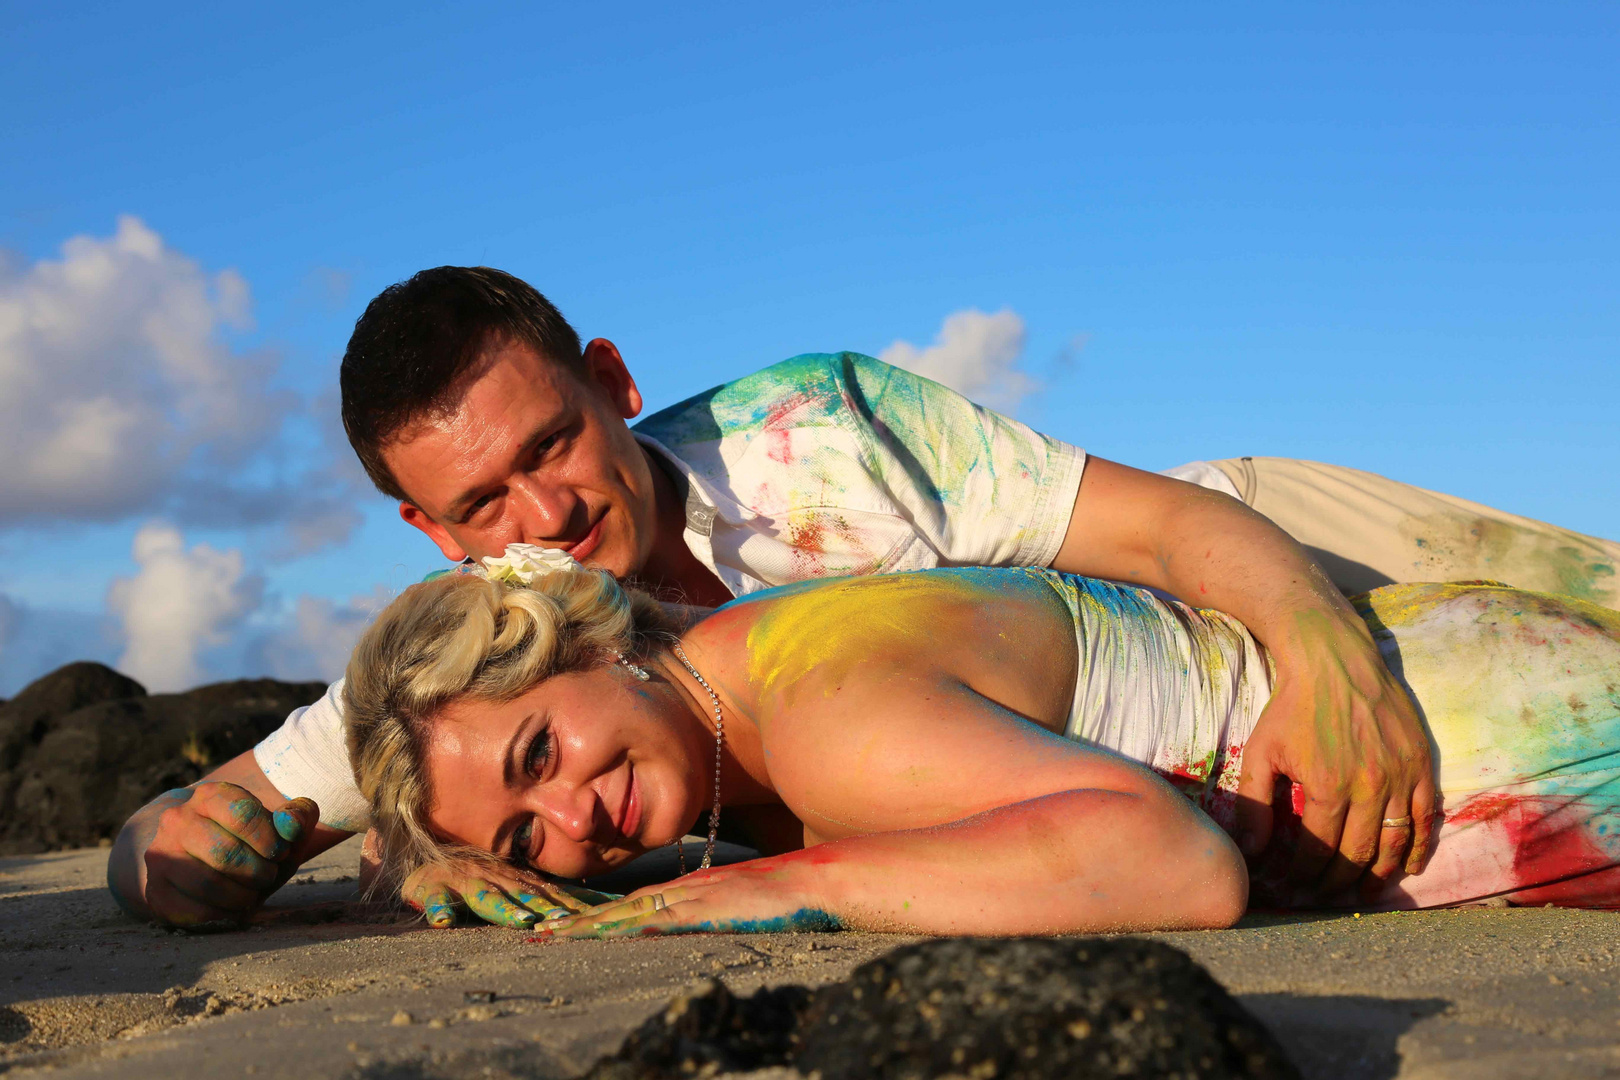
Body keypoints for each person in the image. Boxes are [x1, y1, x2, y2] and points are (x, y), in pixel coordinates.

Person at [107, 266, 1620, 928]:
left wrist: (1320, 650)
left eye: (554, 444)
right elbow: (193, 827)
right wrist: (157, 868)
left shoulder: (811, 441)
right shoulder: (484, 672)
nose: (545, 515)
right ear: (435, 538)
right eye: (480, 507)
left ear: (614, 388)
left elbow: (1159, 526)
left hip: (1248, 556)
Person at [342, 550, 1620, 937]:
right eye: (524, 834)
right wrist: (441, 863)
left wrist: (791, 883)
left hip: (1501, 745)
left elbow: (1177, 867)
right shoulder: (739, 671)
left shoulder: (825, 714)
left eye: (537, 754)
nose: (574, 821)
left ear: (586, 644)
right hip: (1449, 667)